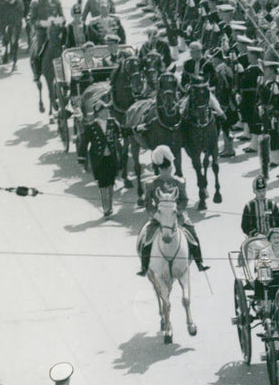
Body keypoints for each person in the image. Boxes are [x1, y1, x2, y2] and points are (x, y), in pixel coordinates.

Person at [137, 145, 208, 275]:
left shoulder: (179, 182)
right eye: (162, 169)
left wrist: (178, 211)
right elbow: (147, 202)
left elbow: (184, 199)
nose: (165, 171)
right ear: (158, 169)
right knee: (146, 238)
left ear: (171, 167)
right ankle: (144, 266)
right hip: (159, 216)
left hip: (177, 215)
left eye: (167, 168)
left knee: (192, 233)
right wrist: (154, 213)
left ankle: (199, 262)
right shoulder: (151, 184)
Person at [83, 94, 124, 217]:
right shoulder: (92, 127)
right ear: (99, 113)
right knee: (102, 183)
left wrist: (137, 128)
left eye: (108, 110)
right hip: (98, 159)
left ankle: (109, 206)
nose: (108, 112)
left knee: (111, 182)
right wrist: (82, 158)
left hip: (111, 157)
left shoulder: (112, 123)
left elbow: (123, 131)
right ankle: (105, 206)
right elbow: (84, 143)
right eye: (105, 110)